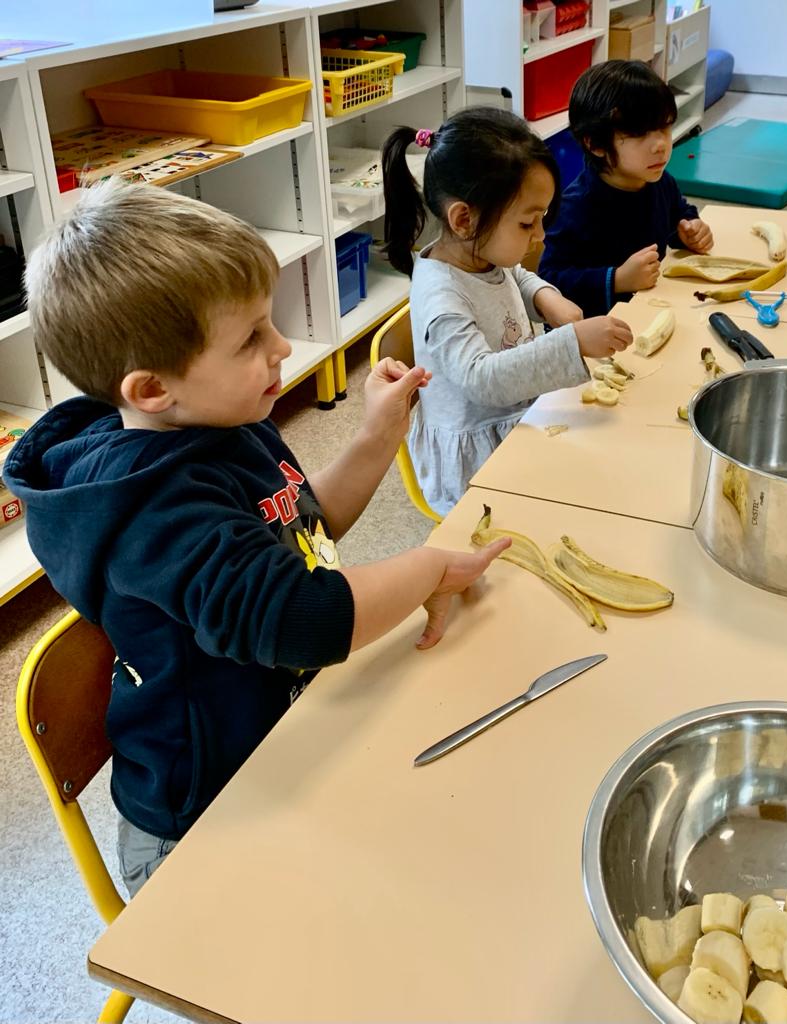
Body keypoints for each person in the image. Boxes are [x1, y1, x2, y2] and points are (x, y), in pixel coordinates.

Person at [3, 181, 510, 895]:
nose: (282, 347)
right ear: (152, 390)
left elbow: (299, 531)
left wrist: (373, 440)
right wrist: (426, 568)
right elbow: (300, 616)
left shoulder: (221, 422)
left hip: (281, 745)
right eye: (250, 339)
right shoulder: (156, 510)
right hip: (201, 825)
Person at [382, 107, 632, 516]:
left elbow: (513, 275)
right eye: (527, 223)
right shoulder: (440, 297)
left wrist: (547, 298)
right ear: (464, 219)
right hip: (474, 464)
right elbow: (482, 380)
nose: (540, 236)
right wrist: (571, 343)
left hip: (517, 415)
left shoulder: (481, 253)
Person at [538, 60, 714, 317]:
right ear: (596, 144)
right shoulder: (574, 207)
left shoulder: (660, 182)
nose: (660, 145)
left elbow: (679, 214)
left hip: (652, 311)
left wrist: (690, 229)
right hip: (599, 334)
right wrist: (617, 279)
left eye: (664, 127)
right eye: (640, 133)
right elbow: (549, 281)